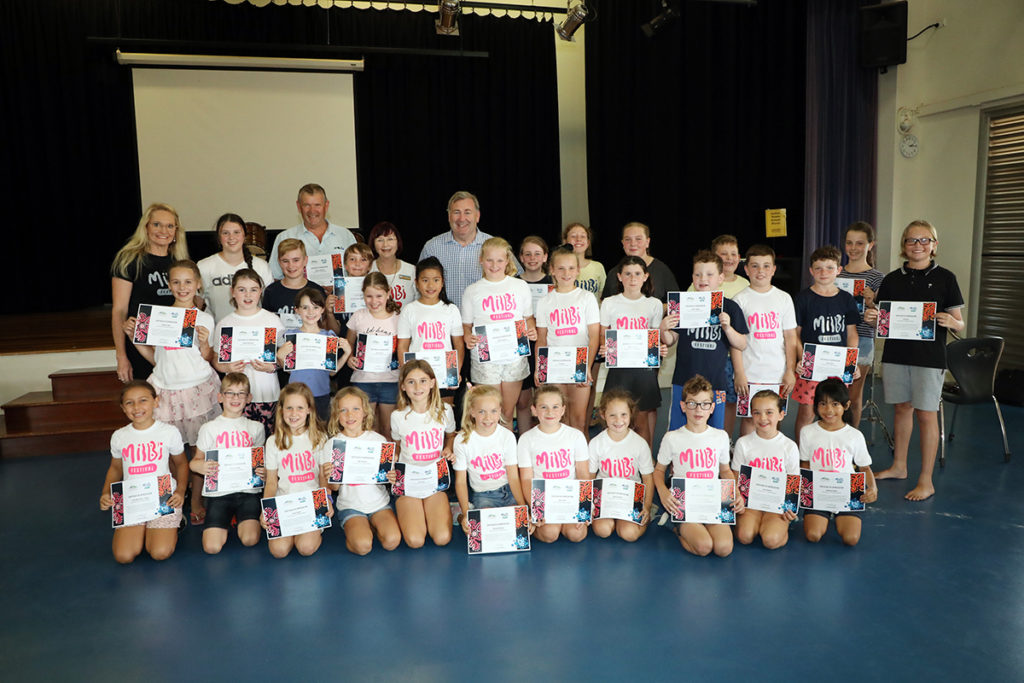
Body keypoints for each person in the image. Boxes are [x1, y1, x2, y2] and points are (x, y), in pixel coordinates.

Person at [864, 220, 964, 501]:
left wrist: (951, 321)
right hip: (896, 355)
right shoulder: (892, 279)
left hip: (929, 358)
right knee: (901, 410)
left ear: (934, 245)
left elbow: (960, 323)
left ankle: (926, 480)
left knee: (926, 414)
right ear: (903, 246)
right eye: (911, 240)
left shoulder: (946, 278)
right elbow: (883, 319)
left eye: (924, 240)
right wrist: (873, 317)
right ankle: (899, 466)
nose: (917, 245)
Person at [125, 259, 221, 526]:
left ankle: (197, 500)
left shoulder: (205, 318)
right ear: (169, 285)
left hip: (197, 389)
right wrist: (135, 337)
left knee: (197, 450)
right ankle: (172, 499)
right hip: (165, 390)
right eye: (176, 282)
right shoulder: (157, 316)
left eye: (188, 282)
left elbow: (207, 356)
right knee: (169, 451)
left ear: (198, 284)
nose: (182, 287)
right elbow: (155, 358)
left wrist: (203, 342)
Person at [99, 380, 188, 564]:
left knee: (159, 553)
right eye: (129, 403)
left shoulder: (169, 432)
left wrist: (180, 491)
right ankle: (144, 527)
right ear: (123, 408)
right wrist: (106, 492)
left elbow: (181, 464)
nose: (136, 407)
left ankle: (174, 522)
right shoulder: (119, 436)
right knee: (123, 556)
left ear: (156, 401)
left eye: (143, 400)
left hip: (164, 496)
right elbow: (115, 468)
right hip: (132, 498)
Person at [654, 375, 742, 557]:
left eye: (704, 404)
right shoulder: (672, 438)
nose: (698, 410)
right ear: (683, 406)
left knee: (724, 548)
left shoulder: (720, 436)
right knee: (704, 547)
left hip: (710, 499)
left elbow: (725, 470)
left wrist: (736, 493)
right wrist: (663, 493)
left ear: (712, 408)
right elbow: (659, 471)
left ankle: (689, 526)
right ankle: (675, 525)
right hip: (684, 502)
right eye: (692, 403)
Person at [664, 250, 748, 433]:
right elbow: (670, 341)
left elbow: (742, 344)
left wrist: (728, 328)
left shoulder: (730, 307)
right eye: (698, 274)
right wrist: (664, 329)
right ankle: (675, 463)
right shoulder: (683, 304)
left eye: (709, 274)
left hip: (716, 381)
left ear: (720, 278)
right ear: (692, 277)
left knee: (715, 430)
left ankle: (714, 463)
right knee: (678, 430)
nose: (703, 278)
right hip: (683, 380)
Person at [462, 237, 537, 428]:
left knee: (506, 411)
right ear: (481, 259)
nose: (494, 265)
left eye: (500, 260)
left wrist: (532, 329)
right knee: (488, 411)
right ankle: (488, 455)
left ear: (507, 261)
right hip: (486, 359)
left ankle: (506, 455)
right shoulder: (472, 291)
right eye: (489, 260)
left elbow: (528, 318)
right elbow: (466, 325)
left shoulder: (519, 286)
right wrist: (467, 337)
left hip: (514, 357)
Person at [111, 203, 189, 383]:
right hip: (141, 345)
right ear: (145, 228)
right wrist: (121, 356)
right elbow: (119, 311)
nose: (164, 230)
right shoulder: (130, 260)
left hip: (174, 344)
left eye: (170, 226)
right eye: (157, 224)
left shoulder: (180, 261)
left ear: (176, 231)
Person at [599, 256, 672, 447]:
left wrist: (660, 348)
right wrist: (604, 347)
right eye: (628, 274)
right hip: (619, 369)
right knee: (617, 417)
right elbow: (602, 335)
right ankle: (619, 460)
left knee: (641, 420)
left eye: (638, 273)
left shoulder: (654, 304)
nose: (633, 278)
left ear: (646, 276)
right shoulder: (609, 303)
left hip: (643, 371)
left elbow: (655, 338)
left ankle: (645, 462)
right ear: (619, 277)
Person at [190, 373, 267, 554]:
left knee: (250, 539)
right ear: (220, 397)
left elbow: (260, 461)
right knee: (212, 547)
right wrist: (200, 466)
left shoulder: (256, 428)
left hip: (248, 492)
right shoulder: (209, 428)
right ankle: (227, 519)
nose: (235, 398)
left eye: (241, 393)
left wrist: (262, 471)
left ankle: (239, 519)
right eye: (230, 393)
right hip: (219, 493)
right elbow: (194, 462)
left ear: (249, 399)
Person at [792, 245, 860, 444]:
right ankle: (802, 455)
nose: (824, 273)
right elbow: (795, 335)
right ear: (811, 271)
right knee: (807, 412)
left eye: (829, 268)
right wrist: (799, 359)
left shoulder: (846, 299)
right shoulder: (802, 299)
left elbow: (852, 334)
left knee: (835, 410)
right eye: (819, 268)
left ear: (839, 270)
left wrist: (851, 361)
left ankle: (831, 452)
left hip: (838, 366)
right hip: (811, 366)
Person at [322, 387, 402, 556]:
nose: (350, 415)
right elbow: (334, 488)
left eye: (355, 409)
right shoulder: (333, 444)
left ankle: (370, 525)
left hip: (379, 503)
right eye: (343, 410)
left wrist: (392, 476)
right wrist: (331, 476)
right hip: (351, 505)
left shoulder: (379, 440)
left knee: (392, 541)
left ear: (365, 411)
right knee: (363, 546)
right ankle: (358, 528)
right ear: (336, 415)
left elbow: (387, 479)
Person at [799, 378, 877, 546]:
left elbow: (864, 467)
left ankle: (841, 516)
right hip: (819, 491)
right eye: (823, 404)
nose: (829, 410)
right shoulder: (807, 432)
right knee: (813, 535)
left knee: (851, 539)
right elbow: (805, 464)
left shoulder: (854, 435)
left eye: (835, 404)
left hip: (847, 492)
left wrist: (873, 488)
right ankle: (822, 515)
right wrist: (805, 487)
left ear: (846, 405)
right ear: (816, 405)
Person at [732, 245, 800, 436]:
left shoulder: (784, 299)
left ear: (773, 269)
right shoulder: (740, 300)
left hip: (777, 373)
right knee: (749, 418)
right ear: (746, 269)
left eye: (765, 266)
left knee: (774, 418)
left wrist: (789, 370)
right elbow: (736, 342)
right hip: (750, 372)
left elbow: (790, 337)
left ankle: (770, 462)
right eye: (754, 266)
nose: (760, 271)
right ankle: (747, 463)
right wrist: (739, 373)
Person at [389, 360, 457, 548]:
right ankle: (414, 512)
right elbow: (397, 447)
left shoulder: (445, 411)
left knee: (442, 538)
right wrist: (391, 468)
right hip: (408, 482)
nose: (417, 387)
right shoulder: (397, 416)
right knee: (415, 541)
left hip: (434, 480)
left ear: (433, 383)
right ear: (403, 386)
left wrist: (449, 447)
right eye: (411, 382)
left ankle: (437, 510)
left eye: (423, 380)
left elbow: (451, 435)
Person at [262, 382, 333, 558]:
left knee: (306, 548)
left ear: (309, 410)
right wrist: (267, 509)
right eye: (289, 408)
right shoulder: (273, 441)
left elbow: (323, 477)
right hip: (284, 503)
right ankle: (292, 532)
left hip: (311, 503)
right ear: (281, 410)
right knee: (279, 551)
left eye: (300, 408)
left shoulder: (319, 438)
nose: (294, 414)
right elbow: (271, 482)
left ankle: (309, 533)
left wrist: (327, 499)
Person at [535, 245, 600, 436]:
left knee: (579, 422)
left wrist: (587, 366)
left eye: (571, 268)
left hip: (579, 364)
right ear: (552, 270)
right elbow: (541, 339)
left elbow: (594, 337)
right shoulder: (544, 302)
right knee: (558, 422)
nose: (566, 273)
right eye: (561, 268)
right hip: (555, 367)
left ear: (578, 270)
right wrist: (541, 367)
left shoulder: (586, 298)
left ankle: (582, 465)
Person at [418, 191, 521, 310]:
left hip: (485, 320)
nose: (462, 218)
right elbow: (420, 286)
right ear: (449, 216)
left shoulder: (496, 246)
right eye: (456, 212)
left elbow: (515, 281)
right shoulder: (432, 247)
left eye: (467, 212)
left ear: (477, 216)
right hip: (442, 322)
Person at [213, 269, 284, 438]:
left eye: (253, 289)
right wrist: (226, 367)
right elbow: (216, 360)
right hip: (235, 397)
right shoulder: (225, 324)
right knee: (239, 442)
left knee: (266, 441)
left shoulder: (272, 320)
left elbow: (284, 356)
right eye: (241, 289)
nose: (248, 295)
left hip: (266, 393)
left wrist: (272, 366)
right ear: (233, 292)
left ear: (261, 291)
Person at [516, 385, 590, 543]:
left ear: (563, 410)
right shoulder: (526, 439)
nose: (550, 412)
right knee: (550, 534)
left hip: (570, 498)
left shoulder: (575, 436)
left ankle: (564, 523)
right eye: (544, 407)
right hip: (543, 499)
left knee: (577, 535)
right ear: (534, 410)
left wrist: (584, 508)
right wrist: (538, 509)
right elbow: (526, 479)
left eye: (555, 407)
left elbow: (583, 473)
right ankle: (544, 525)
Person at [731, 389, 799, 550]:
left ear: (781, 414)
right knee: (744, 536)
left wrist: (790, 507)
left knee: (771, 540)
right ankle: (756, 522)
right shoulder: (743, 443)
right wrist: (738, 497)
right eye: (757, 413)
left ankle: (780, 528)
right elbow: (735, 475)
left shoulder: (789, 446)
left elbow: (793, 481)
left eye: (769, 412)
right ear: (751, 415)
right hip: (751, 503)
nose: (763, 418)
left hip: (776, 504)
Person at [454, 385, 525, 535]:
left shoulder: (507, 436)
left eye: (493, 411)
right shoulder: (462, 440)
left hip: (509, 490)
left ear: (500, 410)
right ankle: (461, 515)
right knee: (484, 532)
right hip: (484, 494)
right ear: (472, 412)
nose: (488, 418)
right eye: (481, 412)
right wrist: (467, 513)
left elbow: (513, 476)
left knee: (516, 530)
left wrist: (522, 507)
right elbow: (460, 481)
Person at [587, 389, 655, 542]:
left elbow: (648, 478)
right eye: (612, 415)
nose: (619, 420)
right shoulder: (597, 443)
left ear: (631, 414)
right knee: (602, 530)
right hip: (605, 497)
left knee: (629, 534)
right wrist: (589, 504)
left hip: (631, 497)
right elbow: (590, 476)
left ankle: (642, 519)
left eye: (623, 414)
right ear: (603, 415)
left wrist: (647, 506)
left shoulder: (639, 443)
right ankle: (612, 520)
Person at [396, 258, 465, 405]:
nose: (430, 285)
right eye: (425, 280)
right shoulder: (409, 310)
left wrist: (455, 371)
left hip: (444, 376)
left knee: (445, 418)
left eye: (435, 280)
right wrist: (407, 375)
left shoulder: (451, 309)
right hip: (417, 379)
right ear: (416, 283)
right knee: (419, 417)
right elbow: (402, 346)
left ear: (442, 282)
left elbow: (458, 345)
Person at [276, 287, 350, 422]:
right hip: (296, 397)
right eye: (305, 307)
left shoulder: (329, 337)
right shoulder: (291, 336)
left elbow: (332, 373)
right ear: (297, 310)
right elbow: (290, 371)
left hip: (321, 395)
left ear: (322, 310)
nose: (310, 312)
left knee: (320, 434)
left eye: (315, 307)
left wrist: (346, 354)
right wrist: (280, 357)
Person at [836, 221, 885, 428]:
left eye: (859, 243)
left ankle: (850, 444)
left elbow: (884, 323)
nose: (853, 248)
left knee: (852, 397)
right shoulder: (835, 273)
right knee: (830, 394)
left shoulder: (877, 278)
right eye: (849, 243)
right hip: (833, 339)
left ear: (870, 245)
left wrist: (871, 303)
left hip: (862, 340)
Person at [346, 272, 400, 440]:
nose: (374, 301)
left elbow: (404, 348)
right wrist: (349, 359)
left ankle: (386, 465)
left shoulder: (398, 318)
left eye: (379, 296)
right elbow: (349, 345)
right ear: (363, 295)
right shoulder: (359, 316)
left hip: (390, 380)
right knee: (366, 429)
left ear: (388, 293)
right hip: (363, 381)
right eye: (369, 296)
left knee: (388, 430)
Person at [268, 183, 356, 281]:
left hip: (340, 295)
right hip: (298, 296)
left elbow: (358, 274)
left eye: (317, 205)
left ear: (326, 206)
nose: (312, 211)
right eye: (307, 205)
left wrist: (336, 288)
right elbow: (275, 277)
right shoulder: (284, 237)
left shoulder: (345, 236)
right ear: (298, 206)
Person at [198, 213, 273, 323]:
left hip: (253, 333)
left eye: (236, 232)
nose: (231, 237)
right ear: (219, 237)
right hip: (217, 334)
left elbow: (268, 305)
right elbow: (196, 304)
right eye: (225, 233)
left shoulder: (261, 266)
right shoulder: (204, 266)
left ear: (244, 235)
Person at [516, 236, 552, 434]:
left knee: (545, 399)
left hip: (546, 344)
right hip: (521, 347)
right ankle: (523, 441)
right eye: (527, 254)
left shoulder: (554, 283)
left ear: (545, 257)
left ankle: (545, 440)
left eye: (537, 253)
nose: (532, 258)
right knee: (522, 400)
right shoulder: (512, 284)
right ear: (520, 257)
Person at [263, 238, 338, 334]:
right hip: (281, 346)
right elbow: (266, 326)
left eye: (296, 260)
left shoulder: (317, 290)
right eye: (285, 261)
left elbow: (328, 329)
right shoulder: (271, 291)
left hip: (311, 345)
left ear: (305, 260)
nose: (291, 266)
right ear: (279, 262)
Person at [601, 221, 679, 302]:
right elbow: (605, 303)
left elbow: (676, 303)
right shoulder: (614, 273)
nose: (633, 243)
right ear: (622, 243)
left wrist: (656, 308)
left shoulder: (662, 271)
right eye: (628, 239)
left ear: (647, 242)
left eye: (638, 239)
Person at [367, 221, 417, 310]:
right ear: (373, 244)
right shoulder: (367, 270)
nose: (385, 244)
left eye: (390, 239)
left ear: (398, 242)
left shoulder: (411, 270)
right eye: (380, 240)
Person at [564, 222, 606, 300]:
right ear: (565, 241)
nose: (578, 239)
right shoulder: (559, 268)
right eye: (573, 236)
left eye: (582, 236)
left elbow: (603, 296)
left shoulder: (597, 267)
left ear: (588, 243)